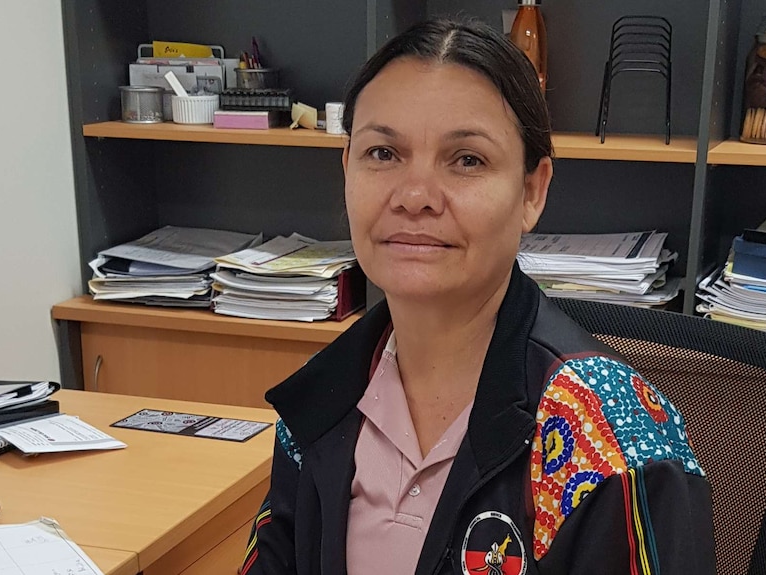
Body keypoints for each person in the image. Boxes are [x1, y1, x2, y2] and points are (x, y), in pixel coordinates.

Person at [241, 17, 714, 575]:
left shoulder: (606, 438)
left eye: (467, 160)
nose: (414, 196)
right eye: (383, 154)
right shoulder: (321, 399)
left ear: (532, 192)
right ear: (346, 169)